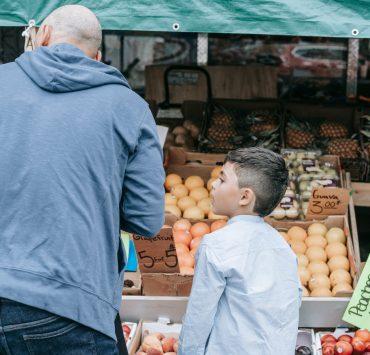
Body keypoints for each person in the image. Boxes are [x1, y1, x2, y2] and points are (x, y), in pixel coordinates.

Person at [0, 5, 165, 354]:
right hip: (68, 305)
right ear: (98, 57)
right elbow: (146, 219)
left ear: (41, 36)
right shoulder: (129, 107)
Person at [179, 147, 301, 355]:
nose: (214, 185)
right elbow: (292, 302)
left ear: (245, 197)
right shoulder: (282, 246)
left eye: (222, 179)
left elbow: (199, 316)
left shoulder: (215, 245)